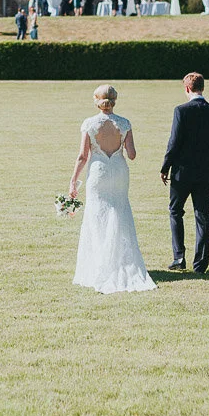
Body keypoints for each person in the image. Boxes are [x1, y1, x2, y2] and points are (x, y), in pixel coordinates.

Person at [69, 85, 156, 294]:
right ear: (114, 101)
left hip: (99, 171)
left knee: (97, 215)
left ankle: (99, 263)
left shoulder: (89, 124)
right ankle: (120, 262)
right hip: (118, 171)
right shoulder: (124, 123)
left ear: (96, 100)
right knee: (119, 211)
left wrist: (73, 181)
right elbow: (132, 155)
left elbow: (83, 156)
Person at [160, 73, 209, 274]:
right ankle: (200, 264)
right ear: (202, 88)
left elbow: (174, 142)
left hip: (182, 172)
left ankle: (179, 257)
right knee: (203, 216)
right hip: (207, 172)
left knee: (175, 211)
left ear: (187, 88)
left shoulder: (181, 111)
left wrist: (165, 167)